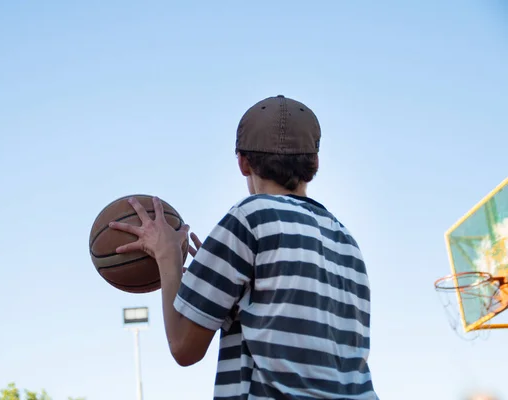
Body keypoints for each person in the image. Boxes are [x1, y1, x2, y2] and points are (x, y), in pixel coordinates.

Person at [109, 95, 378, 399]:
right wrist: (230, 291)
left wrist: (167, 257)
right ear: (314, 163)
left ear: (243, 162)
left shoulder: (251, 217)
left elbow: (184, 348)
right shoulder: (345, 240)